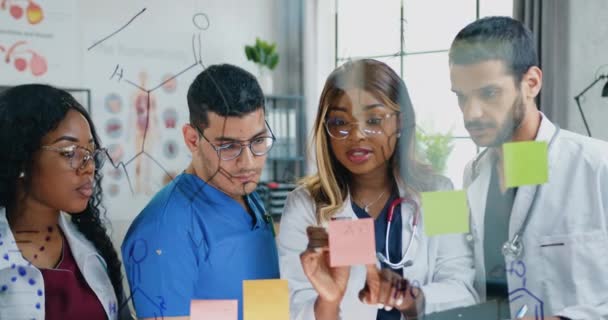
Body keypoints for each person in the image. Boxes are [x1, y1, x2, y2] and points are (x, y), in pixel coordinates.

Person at [278, 59, 478, 320]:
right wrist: (329, 299)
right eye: (340, 122)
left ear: (400, 123)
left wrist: (407, 297)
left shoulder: (441, 194)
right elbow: (295, 311)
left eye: (373, 119)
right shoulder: (304, 206)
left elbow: (463, 291)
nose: (357, 134)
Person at [449, 16, 608, 319]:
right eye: (461, 97)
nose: (472, 113)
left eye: (489, 93)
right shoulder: (472, 175)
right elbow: (461, 274)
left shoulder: (598, 166)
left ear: (531, 83)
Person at [122, 64, 280, 320]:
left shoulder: (246, 194)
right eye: (228, 146)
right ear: (192, 139)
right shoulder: (165, 230)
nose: (249, 163)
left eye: (258, 141)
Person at [0, 84, 130, 319]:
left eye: (90, 152)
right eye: (69, 152)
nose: (89, 167)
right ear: (20, 159)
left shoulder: (93, 247)